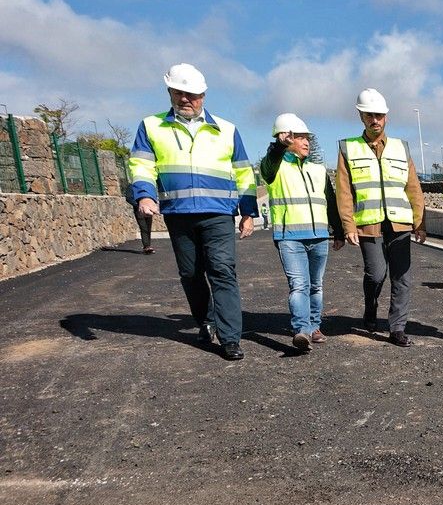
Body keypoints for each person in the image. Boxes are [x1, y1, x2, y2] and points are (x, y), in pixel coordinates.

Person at [129, 63, 256, 361]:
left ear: (203, 95)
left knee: (223, 270)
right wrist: (145, 195)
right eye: (180, 92)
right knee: (190, 273)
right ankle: (206, 319)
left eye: (193, 95)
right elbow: (141, 165)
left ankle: (230, 339)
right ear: (170, 91)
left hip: (218, 213)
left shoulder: (226, 129)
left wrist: (247, 212)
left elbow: (244, 174)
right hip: (178, 213)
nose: (186, 99)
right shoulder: (151, 126)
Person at [335, 88, 426, 348]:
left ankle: (397, 328)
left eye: (379, 115)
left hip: (400, 222)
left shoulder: (401, 147)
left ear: (386, 117)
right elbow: (344, 191)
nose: (375, 120)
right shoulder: (348, 148)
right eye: (369, 115)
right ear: (361, 117)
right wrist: (348, 224)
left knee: (402, 277)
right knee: (376, 274)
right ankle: (370, 304)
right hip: (368, 223)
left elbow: (414, 188)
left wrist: (420, 223)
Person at [260, 113, 343, 353]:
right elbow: (269, 163)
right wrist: (278, 146)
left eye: (308, 138)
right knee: (299, 285)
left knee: (316, 285)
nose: (306, 142)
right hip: (289, 238)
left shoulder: (318, 169)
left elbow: (330, 201)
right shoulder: (274, 168)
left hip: (318, 236)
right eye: (300, 137)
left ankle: (314, 326)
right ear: (286, 138)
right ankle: (301, 330)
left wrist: (337, 231)